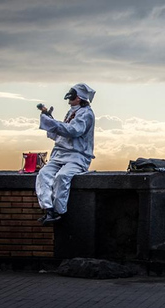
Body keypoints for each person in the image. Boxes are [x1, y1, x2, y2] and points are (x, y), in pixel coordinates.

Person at [35, 83, 96, 225]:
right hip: (60, 154)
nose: (68, 101)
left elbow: (74, 131)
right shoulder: (71, 112)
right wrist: (50, 119)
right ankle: (48, 209)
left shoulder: (86, 114)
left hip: (77, 156)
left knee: (62, 177)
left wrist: (52, 123)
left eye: (71, 97)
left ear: (79, 98)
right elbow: (62, 134)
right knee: (43, 174)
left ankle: (58, 211)